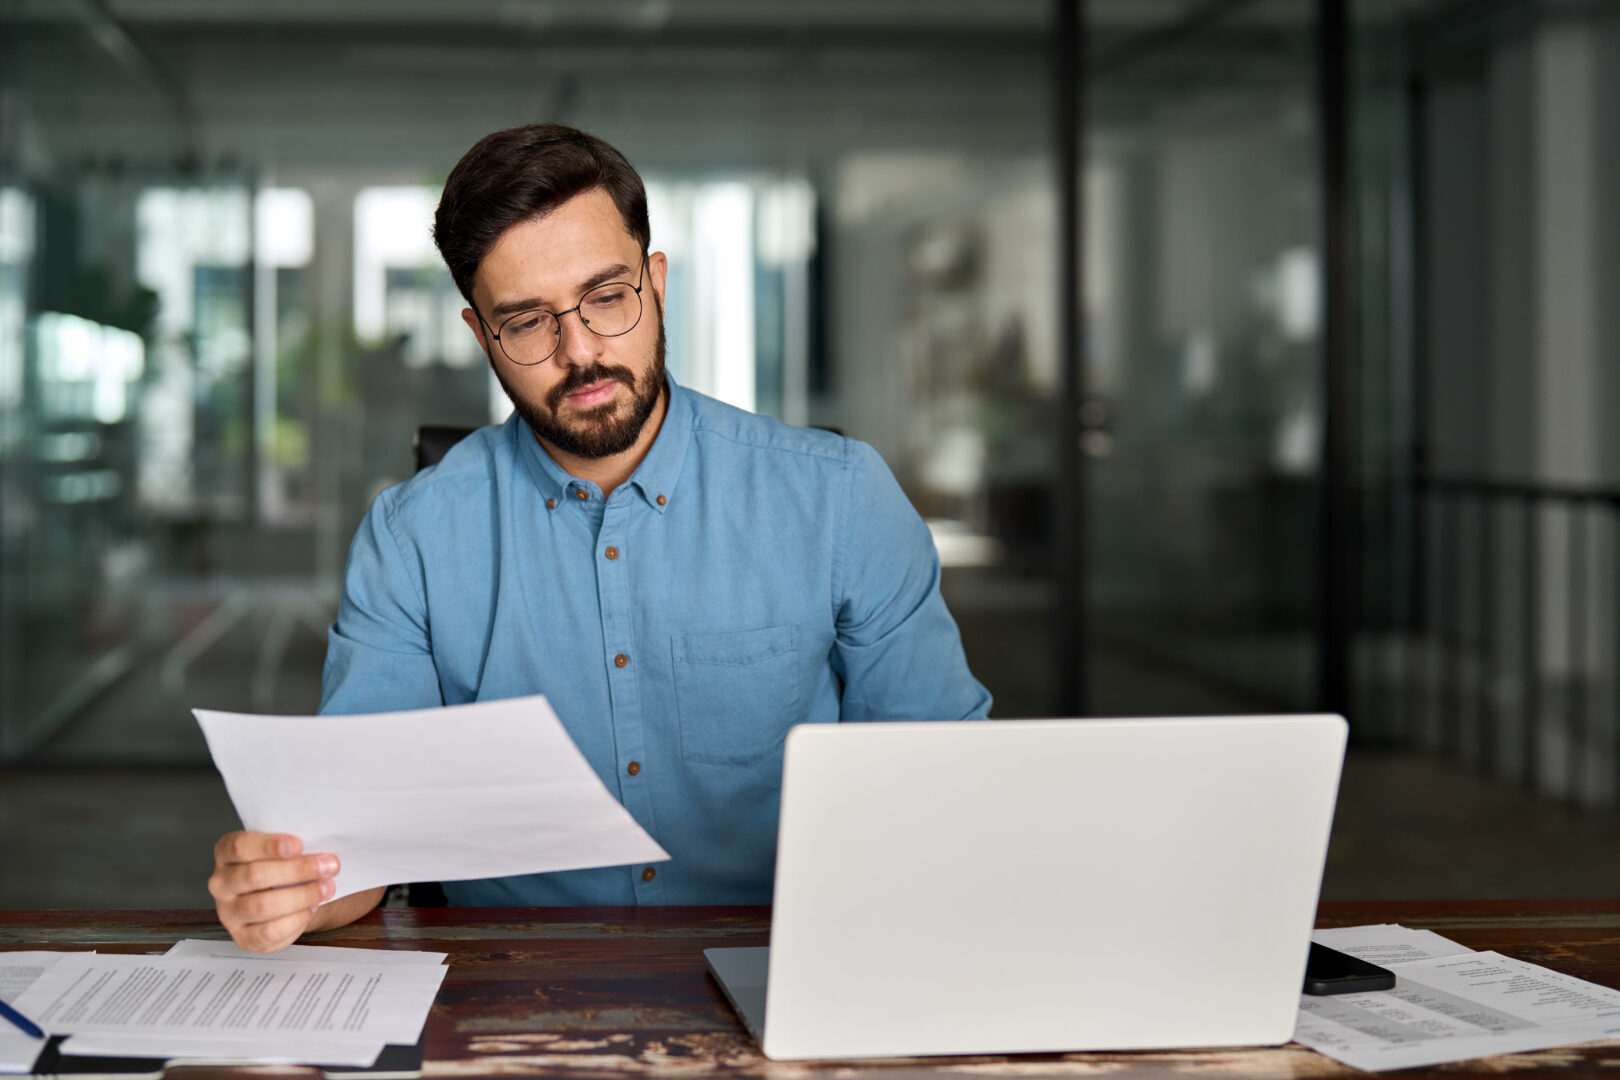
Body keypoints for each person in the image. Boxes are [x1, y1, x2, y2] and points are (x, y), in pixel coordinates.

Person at [209, 124, 991, 952]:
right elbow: (354, 841)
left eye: (606, 298)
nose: (579, 352)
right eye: (527, 322)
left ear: (655, 284)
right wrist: (292, 890)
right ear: (483, 337)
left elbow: (941, 786)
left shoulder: (838, 498)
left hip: (786, 967)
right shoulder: (413, 540)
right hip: (510, 994)